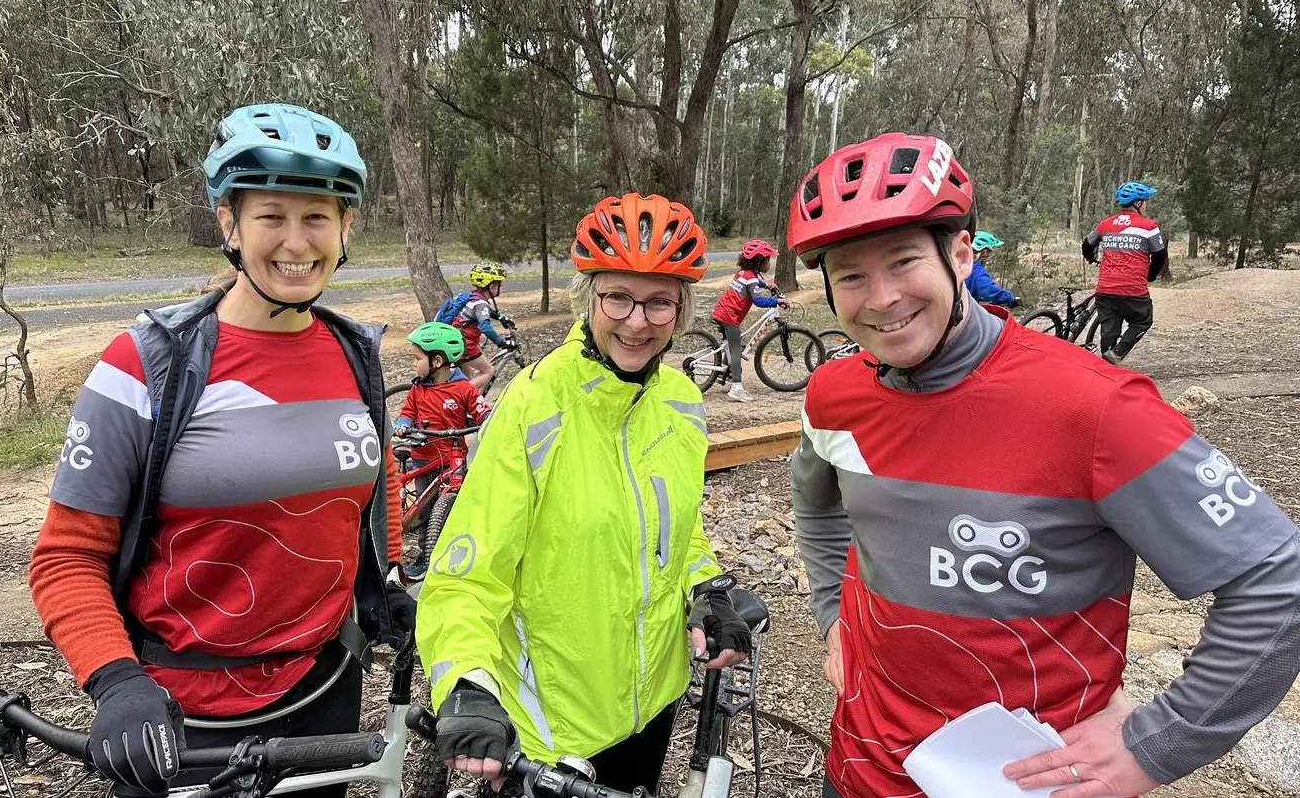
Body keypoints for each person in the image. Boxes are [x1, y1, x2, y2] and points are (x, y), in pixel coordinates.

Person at [785, 133, 1300, 798]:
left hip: (1025, 782)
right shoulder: (833, 392)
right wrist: (833, 613)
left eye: (904, 260)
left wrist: (1157, 742)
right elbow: (816, 505)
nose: (881, 297)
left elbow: (1276, 580)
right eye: (851, 275)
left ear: (960, 254)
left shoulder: (1095, 406)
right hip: (859, 766)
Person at [28, 103, 413, 798]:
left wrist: (383, 581)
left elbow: (371, 481)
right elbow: (66, 556)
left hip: (325, 692)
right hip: (183, 713)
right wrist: (114, 678)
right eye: (271, 216)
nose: (296, 241)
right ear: (228, 223)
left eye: (317, 216)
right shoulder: (147, 364)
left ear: (346, 229)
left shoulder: (355, 355)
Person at [416, 193, 752, 794]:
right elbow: (467, 574)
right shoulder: (534, 405)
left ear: (682, 310)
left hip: (651, 702)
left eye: (659, 302)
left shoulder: (682, 402)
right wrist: (466, 680)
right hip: (553, 727)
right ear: (587, 297)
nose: (637, 321)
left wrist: (706, 589)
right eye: (617, 297)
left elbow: (678, 531)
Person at [394, 321, 491, 574]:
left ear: (437, 361)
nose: (414, 364)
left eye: (417, 358)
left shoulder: (463, 388)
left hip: (453, 459)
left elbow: (483, 412)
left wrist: (491, 422)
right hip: (423, 457)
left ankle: (454, 553)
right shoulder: (418, 389)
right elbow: (407, 413)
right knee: (424, 511)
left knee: (457, 508)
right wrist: (403, 425)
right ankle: (424, 558)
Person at [1083, 182, 1167, 364]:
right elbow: (1160, 256)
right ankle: (1118, 352)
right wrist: (1150, 276)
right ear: (1138, 204)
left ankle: (1106, 364)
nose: (1145, 205)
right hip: (1133, 290)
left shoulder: (1105, 224)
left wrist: (1090, 257)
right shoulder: (1148, 226)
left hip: (1105, 290)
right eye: (1145, 202)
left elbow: (1087, 244)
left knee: (1109, 330)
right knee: (1142, 321)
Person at [712, 238, 788, 402]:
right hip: (730, 316)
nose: (769, 263)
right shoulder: (751, 278)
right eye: (768, 260)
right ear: (759, 261)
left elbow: (753, 281)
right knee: (736, 350)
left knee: (734, 343)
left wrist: (767, 285)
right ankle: (737, 388)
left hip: (724, 311)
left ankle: (726, 370)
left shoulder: (742, 273)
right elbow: (758, 301)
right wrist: (777, 301)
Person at [442, 261, 511, 392]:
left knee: (467, 377)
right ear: (492, 286)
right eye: (500, 284)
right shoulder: (480, 303)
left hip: (455, 340)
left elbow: (484, 311)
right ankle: (459, 397)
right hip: (466, 344)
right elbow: (485, 327)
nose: (502, 287)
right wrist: (501, 343)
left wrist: (501, 317)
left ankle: (463, 402)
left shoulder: (472, 297)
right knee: (488, 371)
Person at [966, 230, 1020, 307]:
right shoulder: (976, 269)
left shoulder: (961, 264)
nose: (990, 255)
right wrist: (1009, 298)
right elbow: (987, 289)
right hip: (962, 311)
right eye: (990, 252)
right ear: (984, 252)